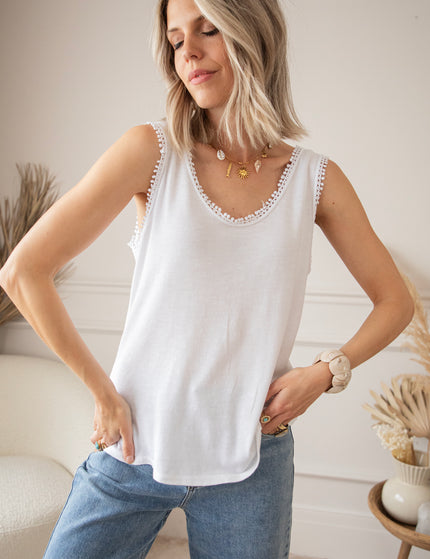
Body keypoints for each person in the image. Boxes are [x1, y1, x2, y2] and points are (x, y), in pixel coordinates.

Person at [0, 0, 414, 557]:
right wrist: (101, 391)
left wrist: (324, 373)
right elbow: (23, 271)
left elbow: (395, 302)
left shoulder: (315, 180)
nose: (188, 52)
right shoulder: (151, 152)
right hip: (135, 446)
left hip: (253, 458)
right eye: (175, 41)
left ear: (253, 34)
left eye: (208, 29)